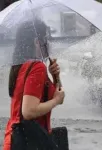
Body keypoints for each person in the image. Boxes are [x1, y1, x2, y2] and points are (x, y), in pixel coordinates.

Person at [3, 19, 65, 150]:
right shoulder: (37, 67)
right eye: (46, 38)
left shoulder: (20, 66)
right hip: (30, 141)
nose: (49, 42)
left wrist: (55, 77)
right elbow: (28, 111)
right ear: (37, 42)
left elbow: (60, 96)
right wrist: (55, 101)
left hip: (17, 138)